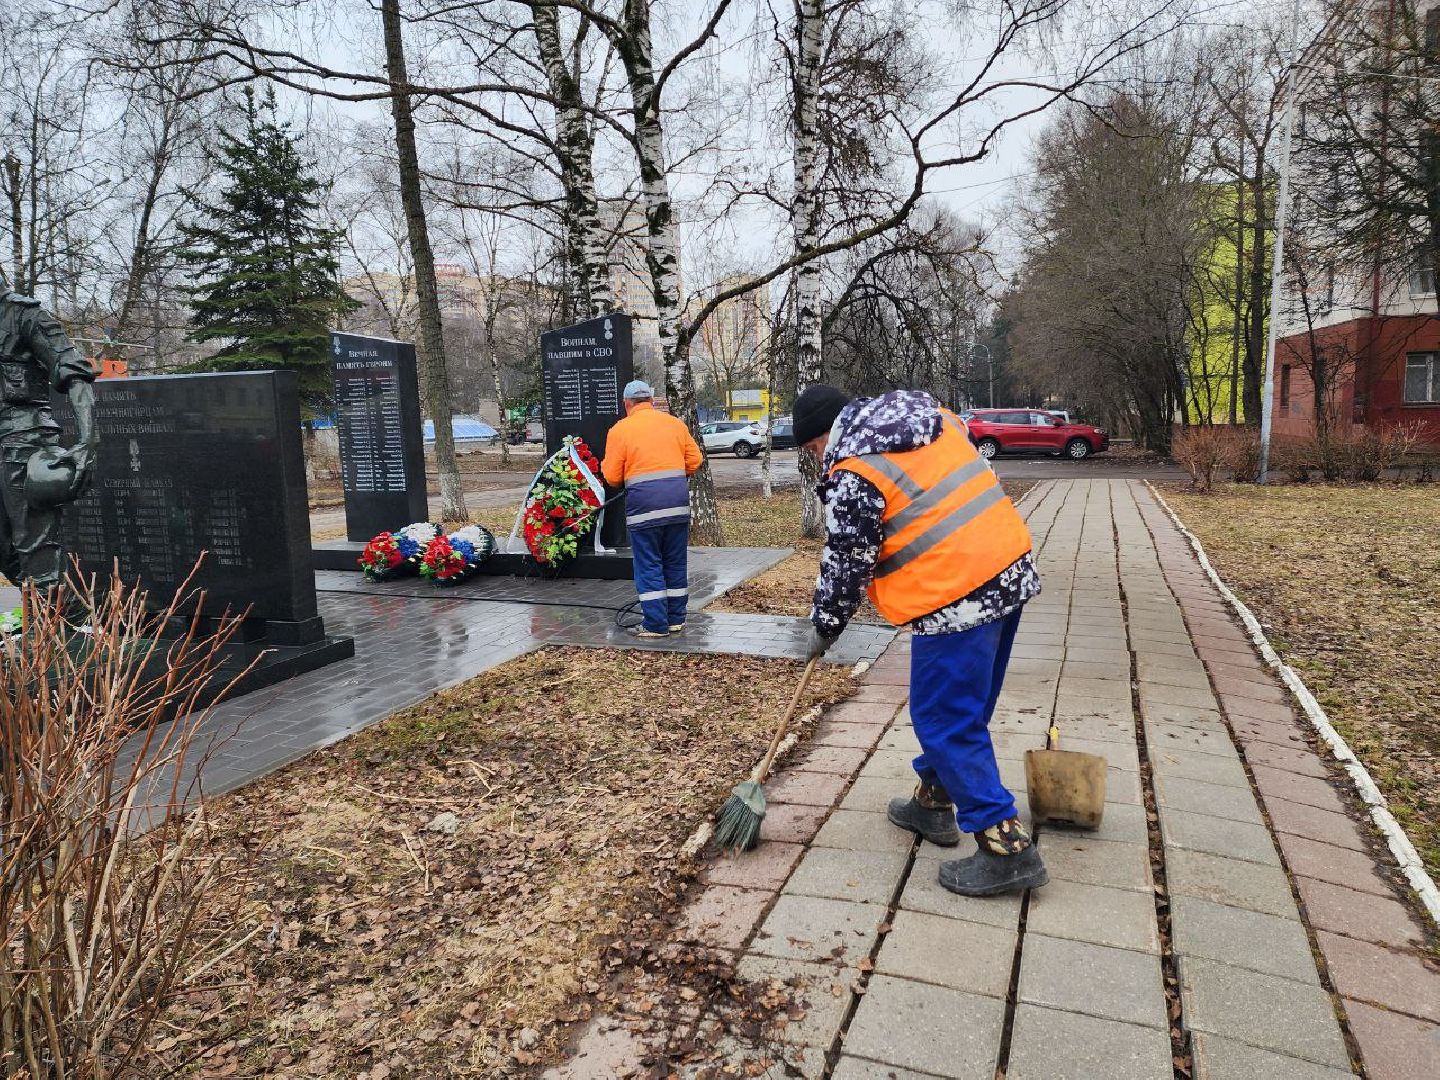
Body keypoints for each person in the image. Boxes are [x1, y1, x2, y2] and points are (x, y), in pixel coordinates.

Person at [794, 384, 1047, 897]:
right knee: (964, 709)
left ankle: (1006, 848)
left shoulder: (855, 471)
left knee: (944, 718)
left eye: (811, 450)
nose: (817, 459)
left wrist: (823, 627)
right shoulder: (936, 420)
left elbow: (847, 564)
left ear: (821, 438)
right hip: (1007, 572)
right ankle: (934, 802)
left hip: (953, 596)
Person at [0, 289, 99, 593]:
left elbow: (75, 373)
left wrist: (87, 440)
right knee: (6, 555)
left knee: (35, 550)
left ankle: (49, 635)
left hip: (25, 439)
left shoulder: (24, 314)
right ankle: (72, 619)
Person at [601, 380, 703, 638]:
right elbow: (695, 460)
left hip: (644, 508)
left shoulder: (620, 430)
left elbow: (612, 477)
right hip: (677, 505)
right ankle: (676, 619)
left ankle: (656, 624)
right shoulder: (674, 424)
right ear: (651, 400)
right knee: (675, 562)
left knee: (649, 565)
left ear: (627, 404)